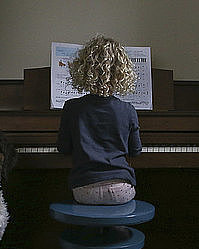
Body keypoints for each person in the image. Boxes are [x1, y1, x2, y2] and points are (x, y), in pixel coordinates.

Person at [57, 35, 142, 206]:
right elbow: (135, 151)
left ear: (84, 69)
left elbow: (63, 148)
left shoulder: (72, 107)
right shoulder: (128, 109)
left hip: (83, 189)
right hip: (121, 190)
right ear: (121, 73)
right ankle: (119, 231)